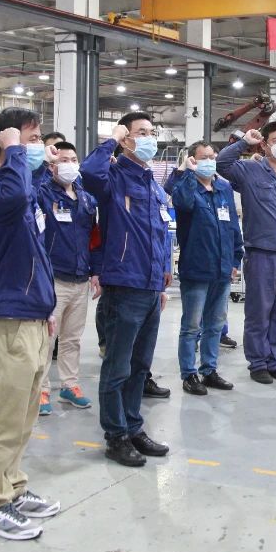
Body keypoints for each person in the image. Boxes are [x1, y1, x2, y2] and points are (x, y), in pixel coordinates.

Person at [0, 108, 61, 541]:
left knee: (24, 418)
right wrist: (12, 153)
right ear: (7, 141)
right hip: (9, 321)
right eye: (32, 137)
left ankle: (14, 488)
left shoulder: (21, 190)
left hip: (33, 317)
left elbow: (36, 253)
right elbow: (16, 194)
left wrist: (47, 308)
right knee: (3, 419)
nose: (40, 145)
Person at [81, 112, 173, 467]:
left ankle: (134, 426)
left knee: (139, 365)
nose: (149, 138)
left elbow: (159, 233)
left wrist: (162, 278)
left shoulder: (152, 183)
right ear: (126, 138)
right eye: (141, 132)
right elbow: (89, 172)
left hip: (150, 287)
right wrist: (111, 140)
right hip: (124, 285)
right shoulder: (114, 177)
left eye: (152, 131)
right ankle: (115, 435)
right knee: (117, 367)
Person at [216, 123, 276, 384]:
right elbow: (222, 164)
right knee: (259, 312)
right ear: (265, 145)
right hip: (261, 254)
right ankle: (258, 363)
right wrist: (244, 142)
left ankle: (275, 361)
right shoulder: (250, 170)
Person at [172, 141, 243, 393]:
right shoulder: (186, 187)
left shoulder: (223, 188)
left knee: (215, 324)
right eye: (204, 157)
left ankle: (209, 370)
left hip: (222, 269)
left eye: (213, 156)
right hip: (197, 268)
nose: (210, 161)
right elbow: (183, 203)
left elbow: (232, 226)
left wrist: (235, 259)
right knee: (192, 326)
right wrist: (187, 173)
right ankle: (189, 374)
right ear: (192, 160)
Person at [37, 141, 99, 415]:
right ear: (51, 166)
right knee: (46, 339)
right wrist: (39, 165)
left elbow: (93, 238)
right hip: (53, 277)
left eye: (74, 159)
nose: (70, 164)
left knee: (72, 339)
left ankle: (69, 384)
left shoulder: (86, 199)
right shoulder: (43, 193)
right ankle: (40, 389)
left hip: (80, 277)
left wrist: (95, 271)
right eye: (64, 160)